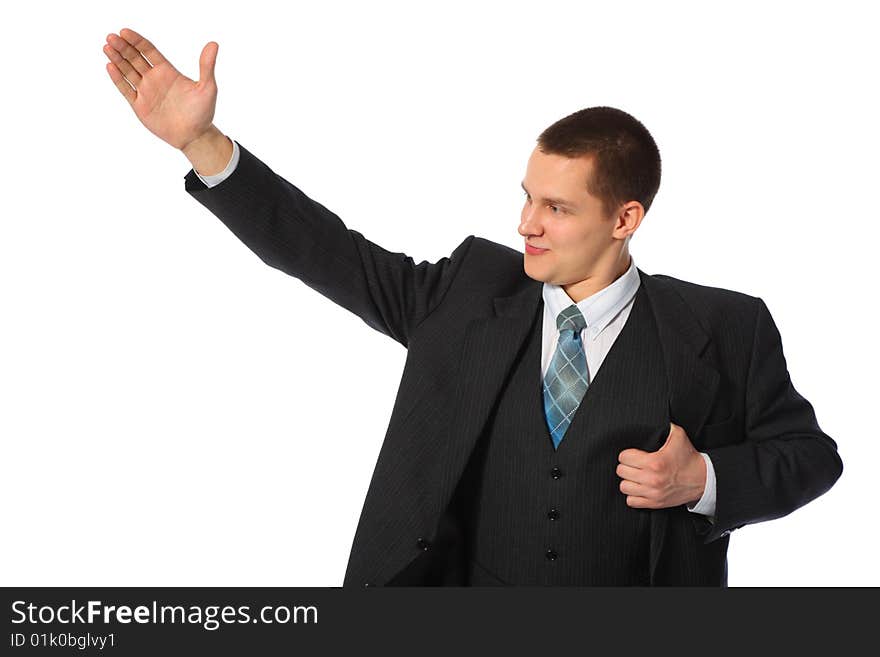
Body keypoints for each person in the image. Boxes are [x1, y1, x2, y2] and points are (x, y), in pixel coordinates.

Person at [103, 28, 843, 586]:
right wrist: (202, 143)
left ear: (625, 219)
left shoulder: (723, 326)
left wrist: (704, 478)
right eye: (526, 196)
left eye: (556, 207)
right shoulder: (465, 295)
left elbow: (812, 457)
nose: (526, 223)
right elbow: (326, 251)